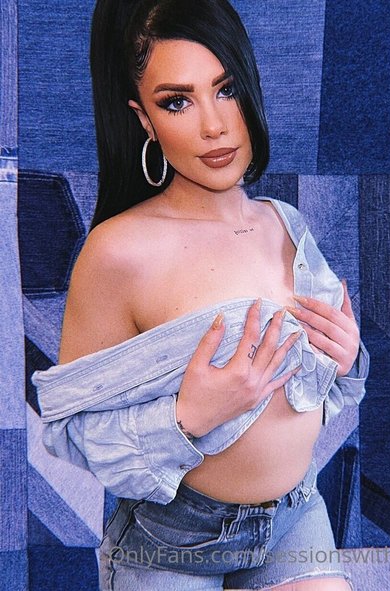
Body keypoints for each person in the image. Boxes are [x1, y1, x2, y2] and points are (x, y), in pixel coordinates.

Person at [31, 0, 370, 589]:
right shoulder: (117, 252)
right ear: (144, 119)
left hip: (295, 517)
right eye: (177, 101)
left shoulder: (285, 222)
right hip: (174, 541)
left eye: (226, 89)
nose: (213, 125)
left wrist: (344, 359)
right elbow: (71, 432)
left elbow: (321, 386)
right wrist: (188, 416)